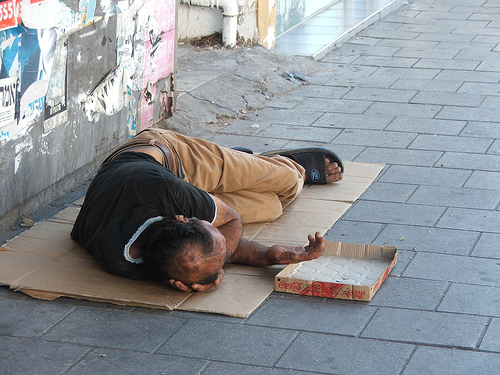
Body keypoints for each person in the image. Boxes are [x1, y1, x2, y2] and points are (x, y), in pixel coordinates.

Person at [71, 128, 344, 292]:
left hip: (167, 155)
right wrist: (266, 255)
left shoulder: (171, 195)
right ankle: (245, 160)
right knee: (270, 206)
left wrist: (217, 264)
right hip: (150, 188)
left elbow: (232, 220)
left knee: (287, 183)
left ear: (181, 218)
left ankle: (291, 165)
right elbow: (198, 256)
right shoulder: (131, 262)